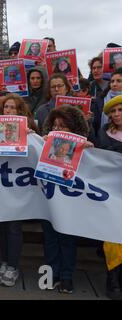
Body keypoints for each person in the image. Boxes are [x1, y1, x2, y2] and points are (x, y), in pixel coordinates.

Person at [41, 105, 93, 294]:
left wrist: (87, 150)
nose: (58, 130)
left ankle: (66, 277)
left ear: (73, 128)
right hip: (49, 202)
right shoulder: (44, 144)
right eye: (55, 126)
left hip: (70, 205)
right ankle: (51, 274)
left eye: (63, 126)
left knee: (67, 240)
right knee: (50, 240)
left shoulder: (84, 148)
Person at [0, 94, 36, 287]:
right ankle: (5, 261)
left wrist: (32, 137)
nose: (8, 111)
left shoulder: (29, 130)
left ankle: (13, 266)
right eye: (6, 108)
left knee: (13, 227)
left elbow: (38, 150)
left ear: (20, 111)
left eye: (12, 108)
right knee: (1, 227)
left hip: (18, 188)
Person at [97, 95, 122, 300]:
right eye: (113, 111)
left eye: (120, 110)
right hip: (111, 193)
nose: (116, 114)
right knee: (112, 238)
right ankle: (112, 280)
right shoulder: (103, 134)